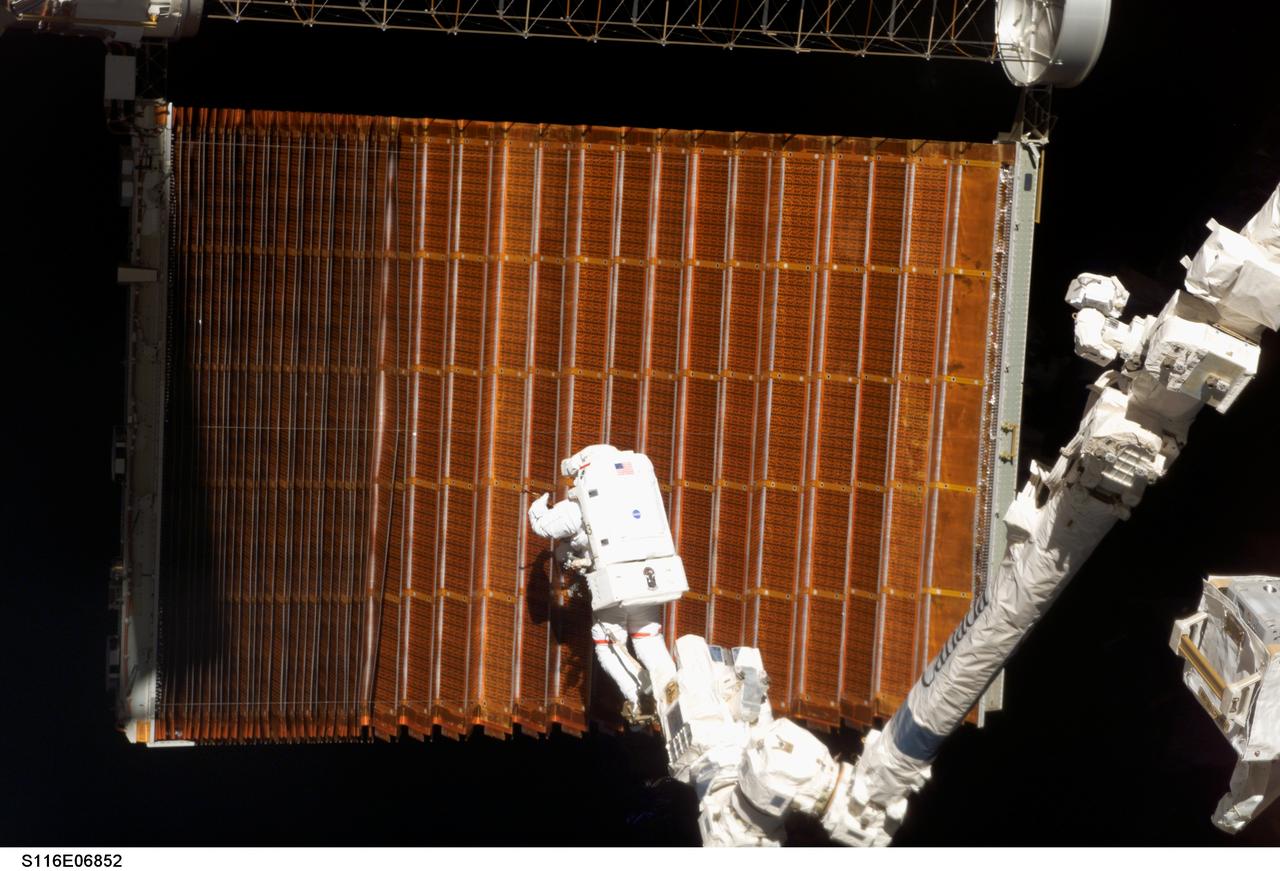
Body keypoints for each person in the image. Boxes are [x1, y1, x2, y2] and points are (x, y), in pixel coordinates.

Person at [527, 444, 685, 723]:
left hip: (616, 585)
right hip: (653, 578)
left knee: (607, 643)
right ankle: (674, 692)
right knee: (649, 639)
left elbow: (543, 527)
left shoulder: (578, 506)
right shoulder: (641, 490)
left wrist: (538, 505)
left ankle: (638, 695)